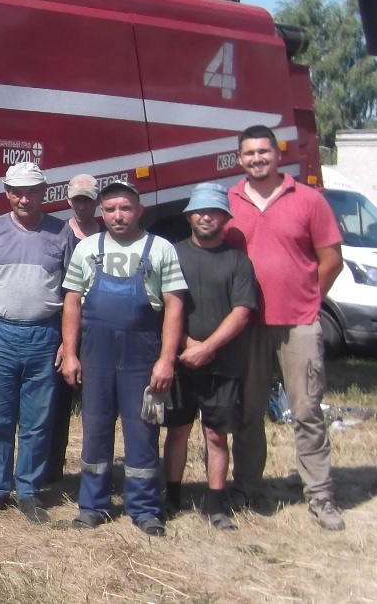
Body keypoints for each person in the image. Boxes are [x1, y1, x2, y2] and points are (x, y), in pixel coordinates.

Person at [228, 125, 346, 531]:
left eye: (264, 151)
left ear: (277, 154)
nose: (257, 158)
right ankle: (246, 488)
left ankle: (320, 495)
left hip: (298, 324)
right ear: (239, 158)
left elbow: (331, 259)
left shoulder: (309, 200)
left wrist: (311, 300)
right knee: (248, 411)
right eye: (249, 153)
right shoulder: (230, 202)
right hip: (247, 325)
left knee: (308, 411)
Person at [59, 181, 186, 537]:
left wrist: (166, 360)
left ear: (139, 210)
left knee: (142, 429)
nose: (118, 215)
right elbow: (72, 302)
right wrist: (70, 353)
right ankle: (92, 506)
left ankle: (145, 509)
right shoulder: (87, 248)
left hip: (142, 354)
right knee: (95, 429)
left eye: (125, 208)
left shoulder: (160, 248)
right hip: (96, 353)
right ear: (102, 212)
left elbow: (174, 305)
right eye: (111, 209)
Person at [0, 162, 73, 523]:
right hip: (0, 333)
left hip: (45, 335)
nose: (23, 198)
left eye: (31, 191)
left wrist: (68, 342)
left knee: (37, 421)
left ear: (44, 191)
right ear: (6, 193)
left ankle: (29, 491)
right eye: (16, 191)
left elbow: (73, 294)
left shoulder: (63, 233)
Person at [161, 183, 258, 531]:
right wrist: (186, 344)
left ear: (225, 218)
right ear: (188, 216)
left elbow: (242, 311)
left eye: (214, 211)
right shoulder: (172, 255)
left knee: (216, 436)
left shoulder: (238, 261)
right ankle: (171, 498)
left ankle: (216, 505)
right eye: (200, 211)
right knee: (177, 431)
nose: (206, 216)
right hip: (181, 361)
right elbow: (163, 307)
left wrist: (207, 347)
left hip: (223, 362)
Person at [45, 172, 101, 484]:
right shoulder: (57, 233)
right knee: (56, 405)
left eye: (88, 200)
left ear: (97, 203)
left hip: (94, 328)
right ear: (68, 200)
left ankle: (93, 472)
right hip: (61, 329)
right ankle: (51, 471)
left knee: (94, 405)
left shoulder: (105, 238)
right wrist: (65, 342)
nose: (82, 205)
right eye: (77, 199)